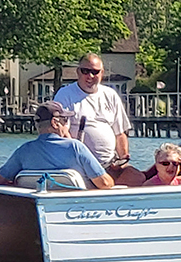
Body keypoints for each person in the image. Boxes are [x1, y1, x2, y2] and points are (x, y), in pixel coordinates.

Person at [53, 53, 144, 187]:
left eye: (95, 72)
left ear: (102, 73)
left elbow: (120, 133)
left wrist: (122, 160)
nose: (90, 76)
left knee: (139, 178)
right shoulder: (65, 94)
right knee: (104, 184)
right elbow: (61, 131)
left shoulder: (110, 94)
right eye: (85, 71)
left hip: (110, 165)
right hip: (80, 166)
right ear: (78, 72)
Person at [0, 101, 113, 189]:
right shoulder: (76, 147)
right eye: (65, 120)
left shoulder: (23, 151)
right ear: (55, 123)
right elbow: (104, 183)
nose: (67, 125)